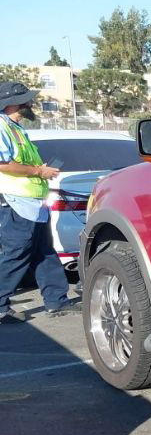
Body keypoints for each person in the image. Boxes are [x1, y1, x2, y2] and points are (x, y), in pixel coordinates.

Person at [0, 81, 80, 323]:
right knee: (16, 255)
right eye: (26, 99)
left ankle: (56, 301)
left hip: (32, 203)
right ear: (11, 103)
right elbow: (3, 164)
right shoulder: (2, 127)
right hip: (16, 203)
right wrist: (38, 172)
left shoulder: (15, 128)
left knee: (44, 253)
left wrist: (40, 171)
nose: (30, 103)